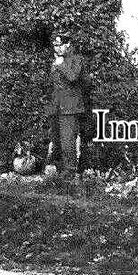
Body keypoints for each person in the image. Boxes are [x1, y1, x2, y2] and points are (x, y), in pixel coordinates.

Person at [50, 33, 92, 185]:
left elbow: (73, 77)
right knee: (58, 140)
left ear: (68, 44)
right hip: (58, 107)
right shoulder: (57, 60)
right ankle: (61, 169)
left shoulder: (76, 59)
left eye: (60, 45)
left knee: (68, 140)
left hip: (71, 107)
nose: (58, 48)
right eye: (55, 45)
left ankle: (71, 171)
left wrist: (60, 64)